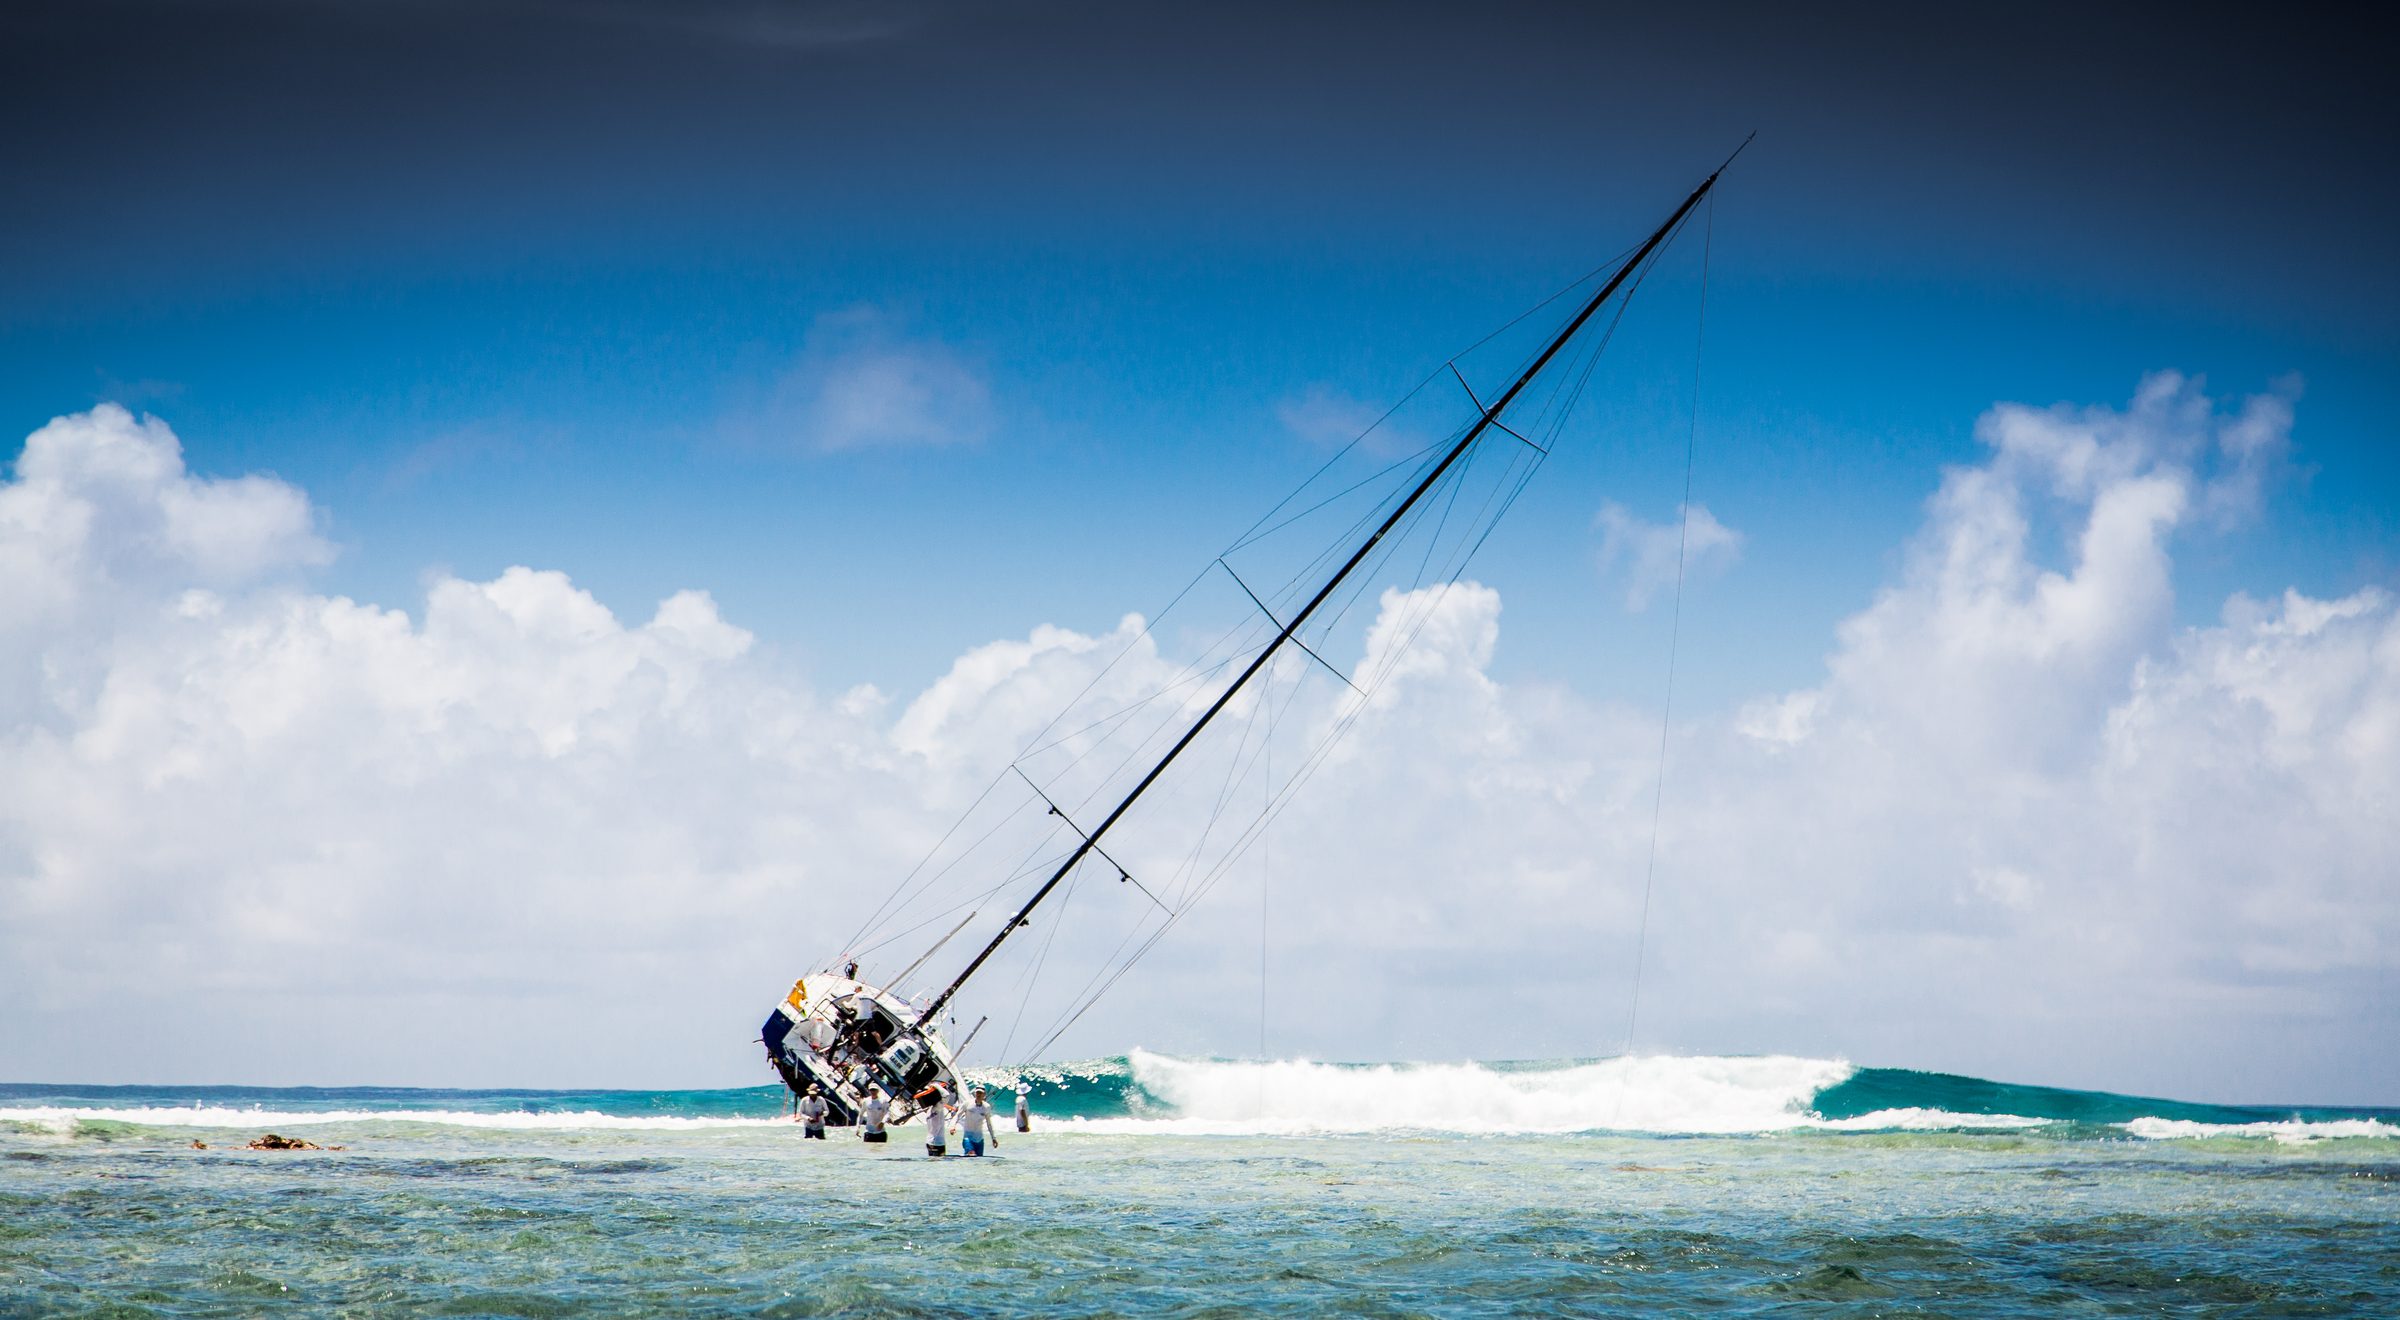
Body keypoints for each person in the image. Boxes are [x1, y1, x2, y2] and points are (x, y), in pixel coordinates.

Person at [956, 1087, 996, 1157]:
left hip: (979, 1139)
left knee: (978, 1160)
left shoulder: (986, 1107)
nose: (978, 1095)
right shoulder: (967, 1103)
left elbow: (989, 1124)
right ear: (975, 1093)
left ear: (984, 1095)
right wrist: (952, 1126)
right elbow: (957, 1115)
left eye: (980, 1093)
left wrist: (993, 1138)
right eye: (977, 1093)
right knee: (971, 1155)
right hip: (968, 1137)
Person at [922, 1089, 949, 1157]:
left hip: (929, 1141)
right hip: (938, 1142)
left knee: (933, 1164)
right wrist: (936, 1085)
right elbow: (946, 1095)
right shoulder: (938, 1108)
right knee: (940, 1164)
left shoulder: (929, 1110)